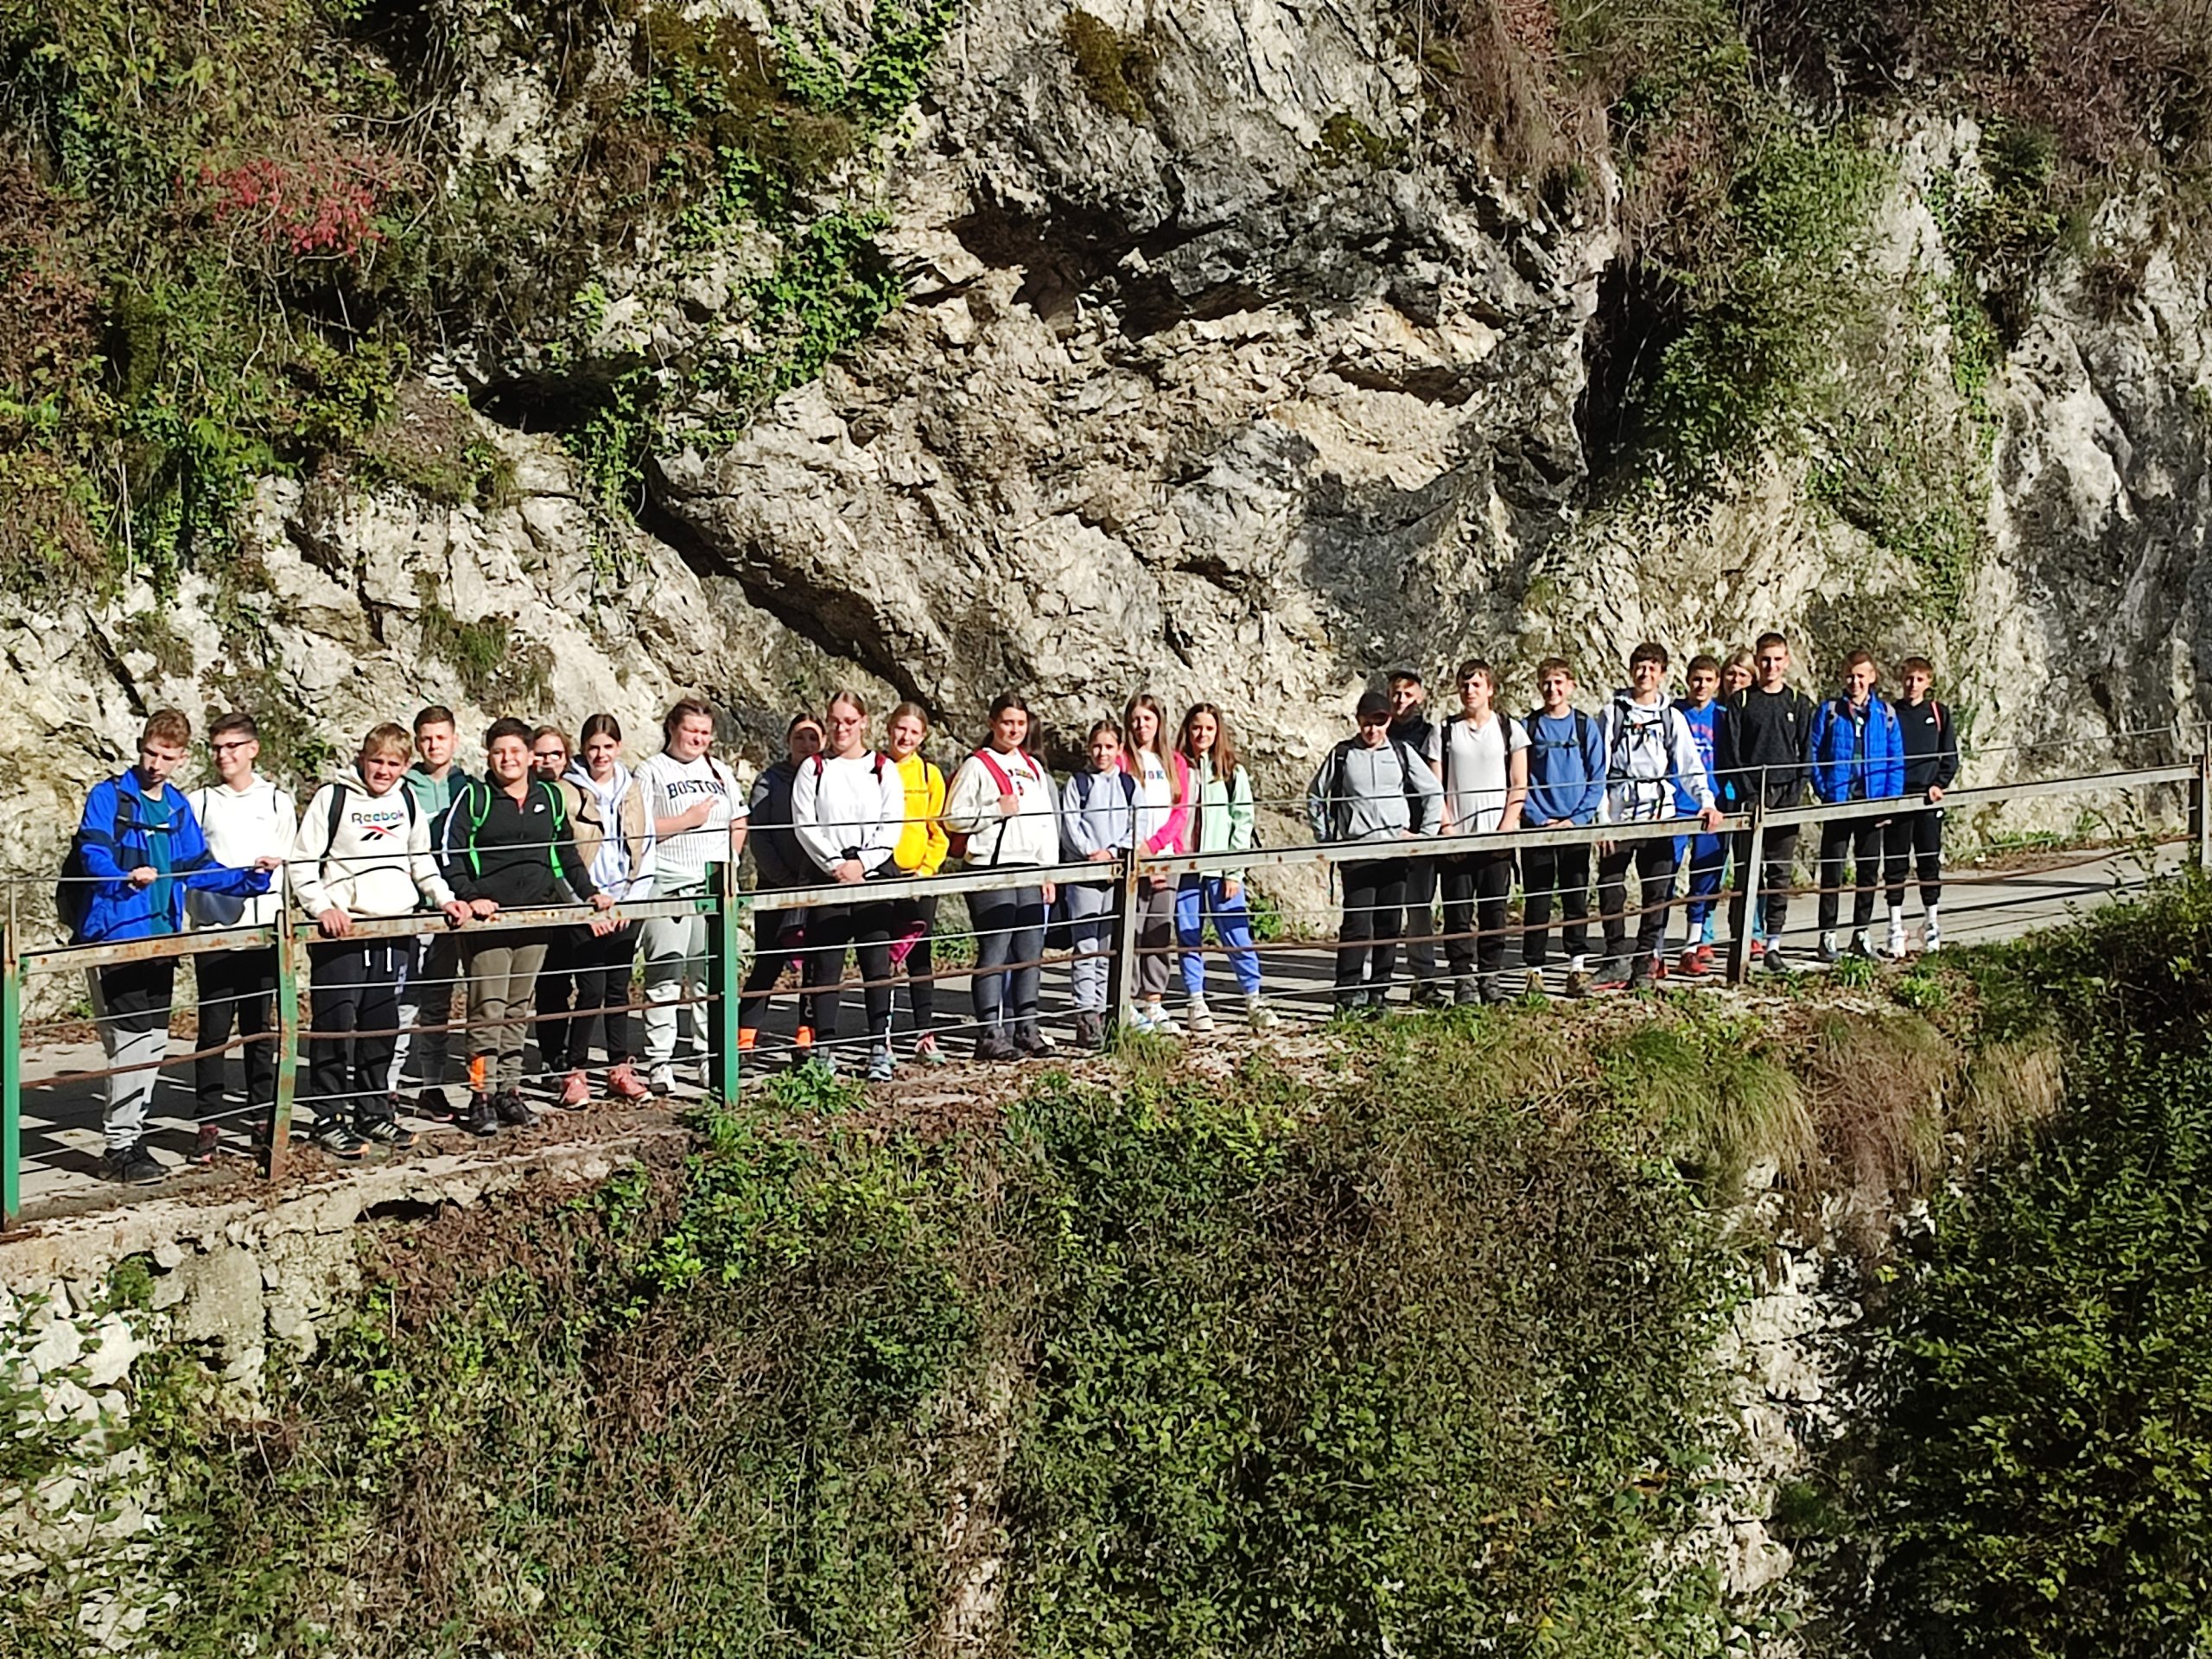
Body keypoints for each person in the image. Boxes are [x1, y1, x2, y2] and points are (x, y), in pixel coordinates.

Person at [70, 709, 277, 1185]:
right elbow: (92, 851)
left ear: (182, 758)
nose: (155, 765)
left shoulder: (177, 807)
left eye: (166, 757)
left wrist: (249, 879)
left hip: (163, 936)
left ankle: (131, 1138)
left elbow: (199, 868)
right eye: (150, 753)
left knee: (154, 1040)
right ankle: (119, 1147)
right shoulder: (108, 796)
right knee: (130, 1041)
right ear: (140, 747)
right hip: (118, 937)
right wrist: (123, 877)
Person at [293, 725, 473, 1156]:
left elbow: (421, 860)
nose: (384, 771)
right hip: (343, 932)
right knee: (335, 1026)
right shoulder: (333, 798)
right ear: (362, 758)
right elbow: (301, 863)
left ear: (406, 766)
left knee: (382, 1028)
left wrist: (445, 898)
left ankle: (373, 1112)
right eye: (377, 761)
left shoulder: (406, 799)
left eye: (393, 763)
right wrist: (322, 907)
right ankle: (328, 1118)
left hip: (394, 931)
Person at [445, 718, 614, 1134]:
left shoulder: (550, 797)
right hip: (489, 922)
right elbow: (450, 852)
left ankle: (509, 1089)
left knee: (518, 1009)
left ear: (529, 756)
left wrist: (589, 892)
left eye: (515, 751)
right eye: (499, 751)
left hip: (536, 918)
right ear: (488, 755)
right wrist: (470, 895)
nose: (508, 759)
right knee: (488, 1009)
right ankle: (481, 1095)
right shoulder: (475, 797)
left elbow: (566, 852)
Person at [185, 712, 297, 1164]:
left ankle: (262, 1117)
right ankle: (208, 1122)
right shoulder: (199, 802)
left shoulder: (277, 802)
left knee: (259, 1029)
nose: (223, 755)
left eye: (232, 746)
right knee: (213, 1031)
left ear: (253, 749)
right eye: (216, 747)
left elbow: (290, 863)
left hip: (262, 932)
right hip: (214, 933)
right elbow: (190, 863)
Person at [1594, 644, 1726, 992]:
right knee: (1610, 888)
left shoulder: (1672, 718)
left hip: (1660, 815)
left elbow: (1690, 766)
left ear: (1663, 674)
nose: (1645, 674)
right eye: (1640, 666)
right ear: (1631, 670)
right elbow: (1598, 769)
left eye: (1653, 668)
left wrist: (1706, 802)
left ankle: (1644, 963)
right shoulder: (1612, 714)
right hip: (1620, 814)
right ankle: (1615, 958)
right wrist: (1602, 819)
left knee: (1657, 892)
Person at [792, 690, 907, 1082]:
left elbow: (892, 824)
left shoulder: (883, 768)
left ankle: (879, 1048)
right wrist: (835, 864)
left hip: (871, 878)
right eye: (835, 721)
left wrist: (863, 863)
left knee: (876, 966)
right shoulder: (813, 769)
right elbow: (805, 823)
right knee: (826, 967)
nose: (841, 729)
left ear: (864, 723)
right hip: (829, 879)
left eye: (849, 721)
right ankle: (825, 1048)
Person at [635, 699, 749, 1095]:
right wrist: (687, 821)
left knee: (709, 976)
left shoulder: (719, 771)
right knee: (665, 973)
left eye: (704, 732)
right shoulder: (650, 770)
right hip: (667, 882)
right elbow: (637, 827)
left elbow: (739, 819)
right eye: (691, 730)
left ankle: (708, 1056)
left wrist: (731, 859)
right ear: (672, 728)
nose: (698, 739)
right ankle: (659, 1061)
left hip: (714, 885)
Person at [1306, 689, 1443, 1014]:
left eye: (1380, 723)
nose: (1373, 730)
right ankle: (1346, 995)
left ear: (1388, 722)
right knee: (1357, 925)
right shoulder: (1342, 754)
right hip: (1357, 853)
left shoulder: (1402, 752)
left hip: (1395, 853)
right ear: (1358, 721)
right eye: (1368, 722)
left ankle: (1379, 994)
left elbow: (1432, 791)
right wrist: (1327, 840)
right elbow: (1315, 796)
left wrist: (1424, 836)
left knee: (1389, 924)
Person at [944, 695, 1061, 1060]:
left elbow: (1046, 823)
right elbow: (953, 817)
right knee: (995, 950)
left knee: (1029, 951)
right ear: (993, 723)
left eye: (1020, 723)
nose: (1014, 730)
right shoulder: (978, 765)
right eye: (1008, 722)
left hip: (1028, 867)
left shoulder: (1033, 767)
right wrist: (995, 809)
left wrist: (1048, 871)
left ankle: (1027, 1028)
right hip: (990, 868)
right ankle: (990, 1034)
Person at [555, 714, 658, 1105]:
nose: (601, 754)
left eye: (608, 747)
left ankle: (620, 1068)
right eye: (594, 747)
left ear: (619, 747)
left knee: (618, 988)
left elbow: (646, 845)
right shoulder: (566, 791)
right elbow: (561, 854)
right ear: (583, 749)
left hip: (626, 901)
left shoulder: (633, 789)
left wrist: (632, 901)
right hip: (586, 903)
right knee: (590, 989)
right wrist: (585, 905)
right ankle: (575, 1071)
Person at [1427, 659, 1528, 1005]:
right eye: (1465, 685)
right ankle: (1463, 980)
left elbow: (1519, 782)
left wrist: (1506, 827)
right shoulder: (1443, 732)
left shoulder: (1509, 729)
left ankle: (1490, 977)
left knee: (1494, 913)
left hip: (1496, 838)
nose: (1470, 691)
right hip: (1457, 838)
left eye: (1477, 685)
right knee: (1457, 914)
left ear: (1490, 689)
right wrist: (1447, 828)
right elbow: (1435, 786)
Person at [389, 706, 473, 1117]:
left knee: (439, 1003)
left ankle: (431, 1086)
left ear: (454, 740)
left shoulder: (470, 788)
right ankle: (387, 1086)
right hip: (414, 907)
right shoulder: (402, 789)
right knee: (403, 1001)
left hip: (457, 907)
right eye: (426, 738)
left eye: (441, 737)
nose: (433, 745)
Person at [1716, 632, 1816, 974]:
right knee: (1747, 873)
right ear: (1757, 661)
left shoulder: (1799, 703)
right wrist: (1749, 794)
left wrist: (1794, 794)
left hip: (1786, 797)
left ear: (1786, 661)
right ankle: (1742, 940)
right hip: (1751, 798)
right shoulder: (1741, 701)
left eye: (1777, 659)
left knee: (1779, 874)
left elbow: (1806, 754)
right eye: (1765, 660)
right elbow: (1731, 753)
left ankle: (1774, 943)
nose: (1771, 665)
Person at [1174, 702, 1274, 1032]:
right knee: (1188, 933)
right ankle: (1196, 1000)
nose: (1202, 734)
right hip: (1185, 865)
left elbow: (1242, 822)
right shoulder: (1178, 767)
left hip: (1220, 866)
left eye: (1208, 728)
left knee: (1235, 931)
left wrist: (1234, 871)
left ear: (1218, 732)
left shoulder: (1231, 771)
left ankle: (1253, 997)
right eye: (1196, 727)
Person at [737, 713, 825, 1059]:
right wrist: (787, 882)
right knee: (768, 962)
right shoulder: (769, 781)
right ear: (788, 741)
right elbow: (760, 838)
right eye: (800, 737)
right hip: (775, 886)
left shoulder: (827, 777)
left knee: (815, 965)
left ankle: (806, 1038)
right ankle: (744, 1039)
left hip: (818, 885)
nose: (807, 744)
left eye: (813, 738)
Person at [1808, 651, 1905, 962]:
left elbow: (1896, 761)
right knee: (1832, 871)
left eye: (1861, 675)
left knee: (1868, 871)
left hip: (1872, 804)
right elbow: (1813, 753)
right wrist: (1824, 790)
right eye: (1850, 675)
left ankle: (1861, 933)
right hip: (1838, 802)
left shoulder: (1886, 715)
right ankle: (1827, 935)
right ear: (1843, 677)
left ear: (1872, 677)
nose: (1855, 681)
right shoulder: (1829, 712)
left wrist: (1889, 802)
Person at [1520, 658, 1606, 999]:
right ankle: (1534, 970)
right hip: (1538, 827)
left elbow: (1597, 777)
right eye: (1547, 683)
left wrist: (1578, 819)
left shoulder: (1585, 726)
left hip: (1575, 827)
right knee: (1537, 899)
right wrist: (1537, 817)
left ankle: (1577, 967)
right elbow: (1519, 779)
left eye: (1559, 682)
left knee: (1575, 896)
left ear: (1571, 685)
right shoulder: (1528, 727)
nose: (1552, 689)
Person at [1059, 721, 1138, 1051]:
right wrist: (1091, 851)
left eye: (1108, 746)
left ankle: (1104, 1010)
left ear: (1119, 749)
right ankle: (1085, 1013)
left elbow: (1138, 822)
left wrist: (1115, 851)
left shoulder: (1128, 785)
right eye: (1096, 746)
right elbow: (1070, 822)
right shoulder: (1078, 783)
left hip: (1115, 872)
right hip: (1086, 873)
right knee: (1086, 945)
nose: (1102, 753)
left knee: (1106, 945)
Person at [1120, 694, 1192, 1034]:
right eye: (1136, 719)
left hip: (1163, 857)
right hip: (1132, 858)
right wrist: (1137, 849)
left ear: (1159, 722)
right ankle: (1128, 1000)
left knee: (1158, 931)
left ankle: (1155, 1000)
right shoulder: (1122, 759)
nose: (1141, 725)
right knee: (1131, 930)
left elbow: (1180, 813)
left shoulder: (1174, 762)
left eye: (1147, 719)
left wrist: (1155, 847)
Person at [528, 725, 592, 1103]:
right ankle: (550, 1058)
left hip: (573, 896)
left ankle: (571, 1058)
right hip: (540, 897)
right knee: (549, 985)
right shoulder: (525, 794)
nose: (548, 761)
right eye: (541, 753)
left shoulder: (575, 791)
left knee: (579, 982)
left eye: (556, 754)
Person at [886, 702, 950, 1066]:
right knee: (882, 960)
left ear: (923, 736)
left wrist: (926, 870)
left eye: (913, 731)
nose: (905, 737)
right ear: (889, 728)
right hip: (883, 877)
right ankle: (883, 1039)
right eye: (901, 728)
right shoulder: (875, 768)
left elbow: (937, 830)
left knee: (919, 959)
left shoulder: (929, 775)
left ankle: (925, 1035)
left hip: (920, 879)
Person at [1887, 657, 1961, 955]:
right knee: (1895, 863)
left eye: (1919, 679)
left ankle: (1931, 923)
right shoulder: (1890, 713)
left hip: (1928, 799)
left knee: (1929, 861)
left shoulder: (1938, 713)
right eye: (1908, 678)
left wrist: (1939, 784)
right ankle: (1895, 926)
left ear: (1928, 682)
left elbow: (1950, 756)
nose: (1912, 685)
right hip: (1899, 797)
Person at [1387, 669, 1446, 1006]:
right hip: (1385, 834)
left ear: (1420, 697)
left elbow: (1438, 786)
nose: (1401, 700)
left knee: (1420, 910)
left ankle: (1423, 979)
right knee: (1384, 911)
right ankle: (1375, 982)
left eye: (1408, 694)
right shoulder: (1377, 731)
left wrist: (1428, 832)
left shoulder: (1432, 736)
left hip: (1423, 832)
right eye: (1396, 693)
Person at [1670, 655, 1729, 977]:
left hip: (1712, 806)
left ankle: (1692, 946)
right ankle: (1653, 949)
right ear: (1687, 680)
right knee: (1664, 874)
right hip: (1677, 804)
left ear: (1717, 683)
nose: (1701, 685)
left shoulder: (1723, 716)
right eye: (1696, 679)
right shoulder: (1673, 713)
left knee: (1705, 876)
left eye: (1708, 680)